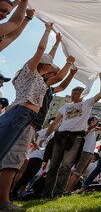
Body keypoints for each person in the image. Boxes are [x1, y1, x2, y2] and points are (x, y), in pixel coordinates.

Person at [0, 47, 76, 209]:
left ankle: (4, 199)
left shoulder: (45, 88)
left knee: (12, 162)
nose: (54, 72)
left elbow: (61, 86)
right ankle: (4, 200)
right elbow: (58, 76)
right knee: (10, 161)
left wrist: (72, 74)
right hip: (24, 121)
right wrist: (68, 62)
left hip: (30, 124)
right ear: (46, 71)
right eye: (51, 70)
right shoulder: (38, 81)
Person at [0, 22, 59, 163]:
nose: (51, 67)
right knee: (2, 149)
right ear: (43, 64)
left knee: (5, 151)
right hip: (20, 112)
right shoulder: (29, 73)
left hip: (26, 115)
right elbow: (41, 49)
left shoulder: (39, 78)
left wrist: (57, 43)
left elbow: (48, 56)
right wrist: (47, 30)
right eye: (49, 65)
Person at [43, 72, 101, 197]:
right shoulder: (66, 106)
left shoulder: (87, 103)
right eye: (72, 93)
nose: (72, 95)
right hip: (60, 136)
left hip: (75, 138)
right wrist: (46, 136)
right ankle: (46, 193)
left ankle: (57, 193)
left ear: (81, 95)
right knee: (53, 166)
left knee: (66, 166)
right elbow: (56, 122)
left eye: (75, 93)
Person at [65, 116, 101, 193]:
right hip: (85, 151)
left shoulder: (94, 130)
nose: (98, 121)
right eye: (96, 119)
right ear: (91, 121)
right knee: (77, 172)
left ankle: (70, 190)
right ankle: (66, 190)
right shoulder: (88, 128)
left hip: (90, 152)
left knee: (80, 174)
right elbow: (99, 129)